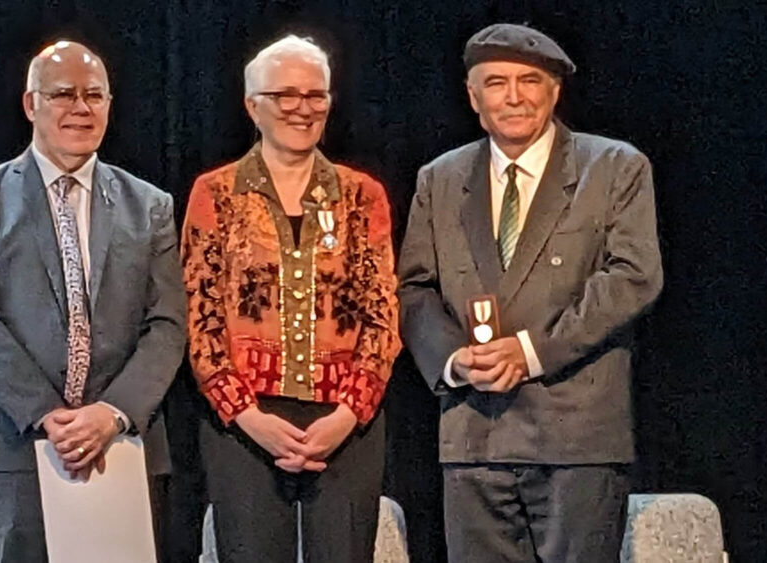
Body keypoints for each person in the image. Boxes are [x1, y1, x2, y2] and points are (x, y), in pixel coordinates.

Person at [398, 23, 663, 562]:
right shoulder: (440, 178)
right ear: (473, 97)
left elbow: (633, 277)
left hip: (576, 437)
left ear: (554, 91)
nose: (514, 96)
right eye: (496, 82)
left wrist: (530, 351)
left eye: (530, 80)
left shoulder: (613, 168)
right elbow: (416, 289)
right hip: (474, 436)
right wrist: (454, 359)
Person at [0, 40, 185, 562]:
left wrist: (111, 413)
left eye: (94, 95)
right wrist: (50, 414)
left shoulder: (151, 206)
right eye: (63, 94)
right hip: (9, 447)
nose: (81, 108)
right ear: (32, 105)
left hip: (122, 448)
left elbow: (167, 325)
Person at [181, 35, 400, 563]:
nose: (302, 108)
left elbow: (382, 315)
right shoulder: (215, 193)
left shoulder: (361, 194)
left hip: (345, 423)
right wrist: (248, 416)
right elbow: (201, 318)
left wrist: (348, 414)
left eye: (315, 95)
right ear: (252, 105)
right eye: (285, 95)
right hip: (246, 424)